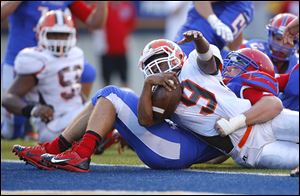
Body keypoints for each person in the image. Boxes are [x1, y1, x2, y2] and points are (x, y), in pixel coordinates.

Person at [143, 31, 298, 169]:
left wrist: (199, 40)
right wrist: (147, 84)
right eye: (152, 67)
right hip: (250, 150)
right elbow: (146, 120)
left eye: (160, 61)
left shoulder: (193, 63)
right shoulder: (161, 99)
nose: (157, 68)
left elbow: (207, 59)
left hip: (264, 121)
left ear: (177, 55)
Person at [1, 1, 107, 140]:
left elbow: (95, 22)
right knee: (11, 131)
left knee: (87, 72)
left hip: (56, 59)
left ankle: (77, 121)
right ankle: (25, 125)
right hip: (19, 61)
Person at [240, 13, 299, 111]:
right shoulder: (253, 49)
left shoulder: (296, 61)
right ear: (270, 35)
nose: (281, 45)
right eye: (278, 38)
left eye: (289, 41)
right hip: (249, 105)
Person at [173, 1, 254, 56]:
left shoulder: (248, 6)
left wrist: (235, 52)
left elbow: (236, 30)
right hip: (192, 42)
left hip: (213, 52)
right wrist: (214, 21)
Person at [93, 1, 136, 87]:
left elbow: (131, 24)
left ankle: (125, 100)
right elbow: (94, 24)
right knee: (106, 81)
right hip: (106, 51)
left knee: (125, 80)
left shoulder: (127, 6)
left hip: (122, 50)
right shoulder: (102, 6)